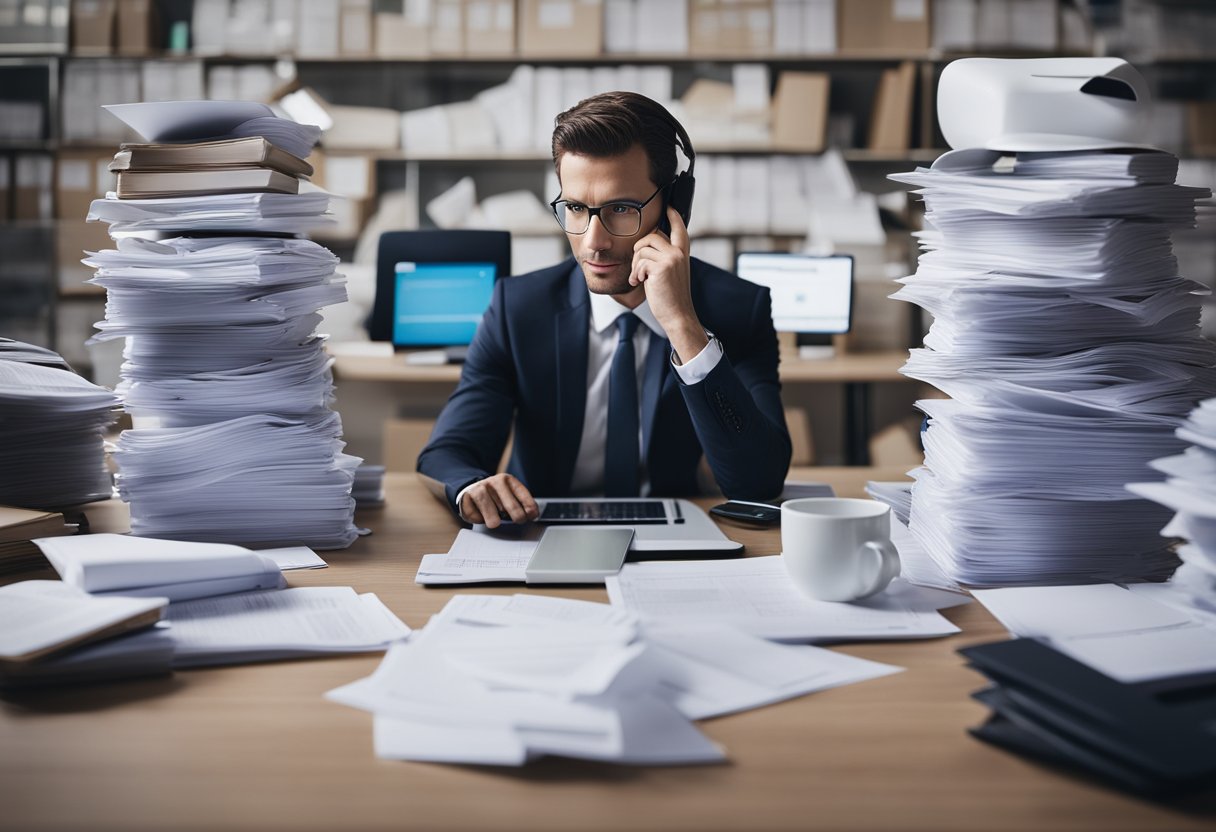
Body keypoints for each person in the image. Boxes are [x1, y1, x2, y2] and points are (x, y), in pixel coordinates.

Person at [418, 91, 791, 528]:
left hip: (674, 545)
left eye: (620, 209)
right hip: (540, 532)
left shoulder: (737, 309)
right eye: (576, 208)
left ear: (675, 208)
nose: (593, 241)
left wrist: (683, 326)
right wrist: (471, 487)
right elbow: (448, 451)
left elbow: (758, 483)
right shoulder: (518, 308)